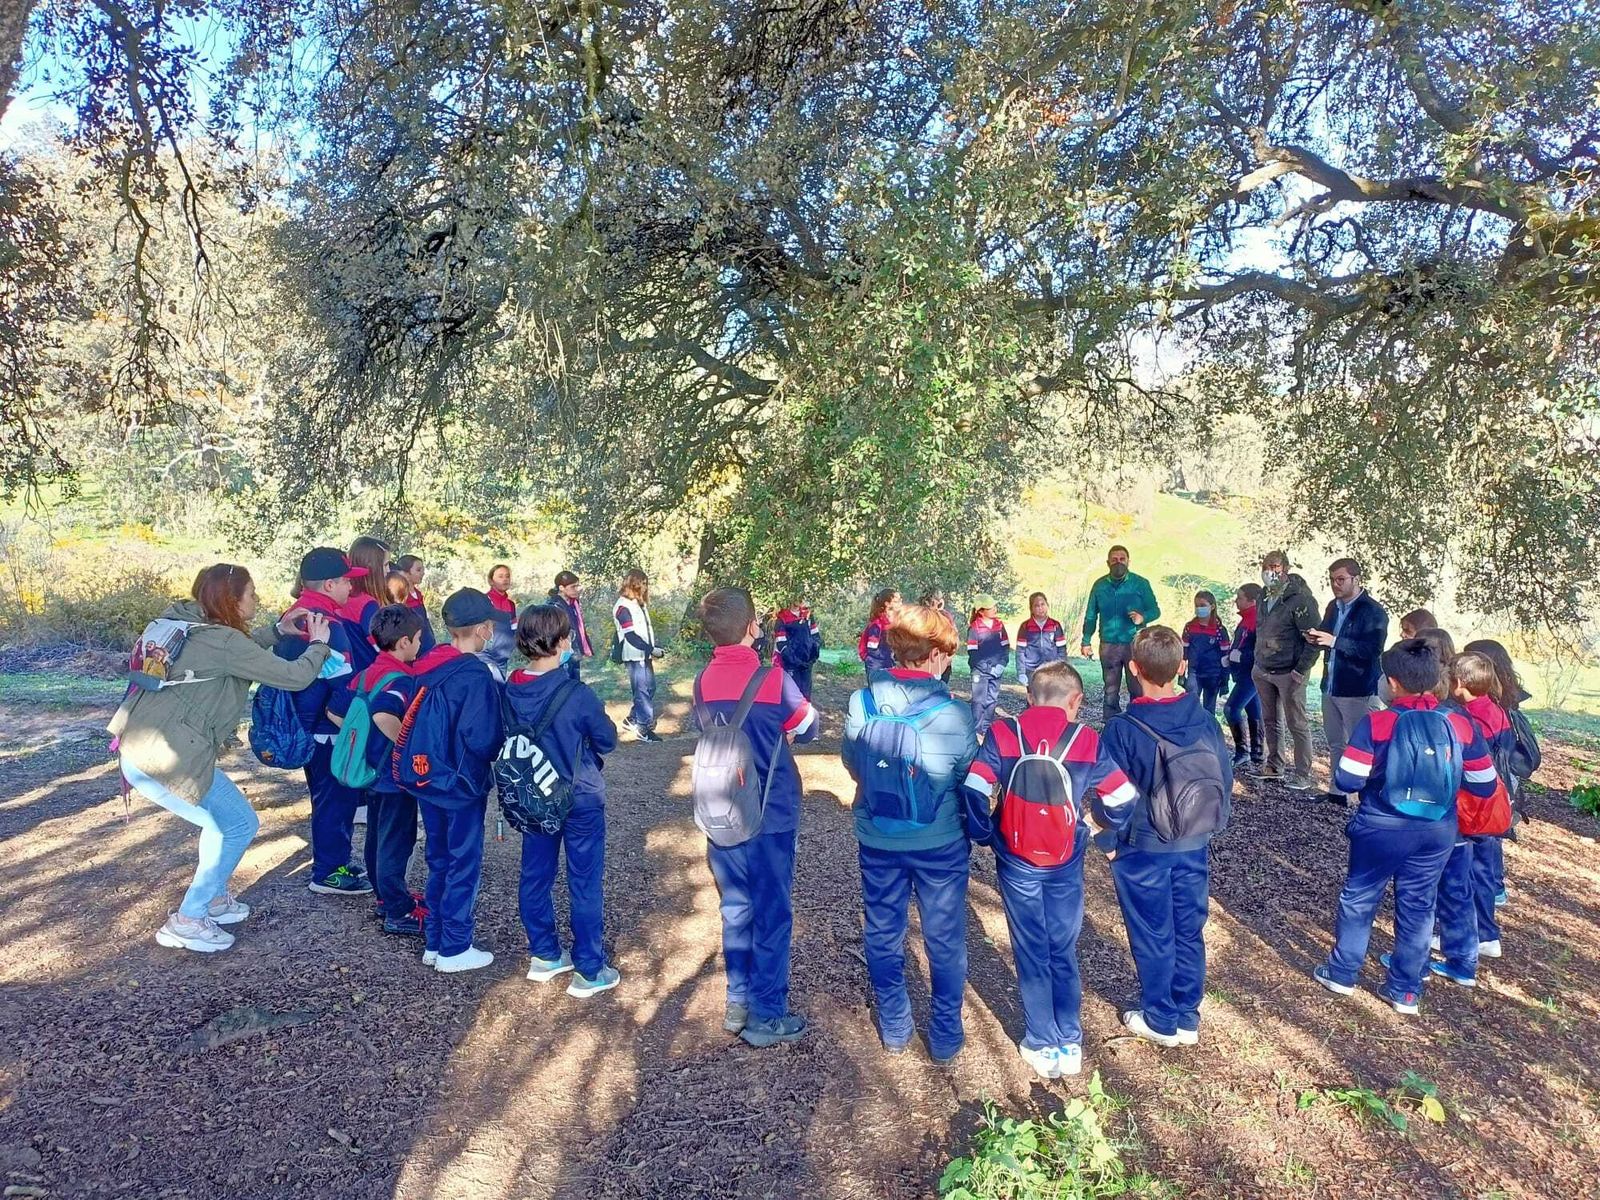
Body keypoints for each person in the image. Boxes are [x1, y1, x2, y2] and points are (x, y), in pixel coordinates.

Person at [111, 565, 336, 952]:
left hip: (140, 749)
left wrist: (279, 631)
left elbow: (232, 653)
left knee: (221, 824)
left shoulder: (185, 621)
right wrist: (319, 644)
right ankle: (188, 918)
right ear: (232, 600)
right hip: (167, 758)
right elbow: (294, 676)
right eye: (251, 593)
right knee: (238, 824)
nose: (257, 600)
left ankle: (211, 898)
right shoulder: (224, 642)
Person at [963, 661, 1137, 1079]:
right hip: (1064, 858)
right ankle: (1070, 1041)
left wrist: (986, 832)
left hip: (1016, 857)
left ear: (1029, 696)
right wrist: (1096, 826)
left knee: (1030, 947)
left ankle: (1040, 1041)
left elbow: (975, 786)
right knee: (1062, 946)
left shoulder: (1004, 733)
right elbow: (1124, 798)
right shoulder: (1086, 739)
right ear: (1076, 700)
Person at [1312, 639, 1498, 1015]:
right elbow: (1485, 784)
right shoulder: (1459, 723)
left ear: (1393, 683)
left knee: (1360, 898)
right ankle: (1406, 990)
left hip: (1381, 827)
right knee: (1419, 905)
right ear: (1435, 680)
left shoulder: (1378, 722)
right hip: (1437, 832)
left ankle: (1343, 972)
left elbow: (1346, 780)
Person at [842, 604, 977, 1063]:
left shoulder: (861, 703)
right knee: (944, 936)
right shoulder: (956, 714)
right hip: (939, 842)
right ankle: (944, 1032)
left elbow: (853, 762)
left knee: (883, 930)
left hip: (877, 835)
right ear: (936, 654)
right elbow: (965, 777)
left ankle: (896, 1025)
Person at [693, 587, 819, 1047]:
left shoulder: (701, 680)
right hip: (771, 811)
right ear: (752, 628)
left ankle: (737, 1001)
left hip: (722, 808)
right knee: (772, 911)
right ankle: (768, 1013)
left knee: (735, 907)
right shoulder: (772, 678)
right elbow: (808, 727)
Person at [1099, 626, 1232, 1048]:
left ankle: (1160, 1017)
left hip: (1144, 846)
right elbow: (1224, 779)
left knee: (1152, 932)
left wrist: (1108, 840)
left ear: (1134, 668)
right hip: (1194, 841)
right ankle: (1187, 1015)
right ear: (1181, 667)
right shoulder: (1205, 720)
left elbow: (1111, 798)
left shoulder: (1122, 728)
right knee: (1188, 929)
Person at [508, 604, 622, 997]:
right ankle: (589, 969)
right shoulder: (576, 693)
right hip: (579, 797)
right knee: (584, 881)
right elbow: (607, 738)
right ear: (561, 641)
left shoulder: (510, 687)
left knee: (535, 874)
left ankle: (545, 953)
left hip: (531, 794)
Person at [406, 589, 507, 973]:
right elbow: (482, 737)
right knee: (464, 860)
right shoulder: (475, 672)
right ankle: (455, 946)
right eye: (490, 626)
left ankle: (435, 939)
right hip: (463, 782)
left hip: (426, 776)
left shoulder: (426, 662)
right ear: (481, 629)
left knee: (438, 858)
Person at [274, 546, 371, 897]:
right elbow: (342, 681)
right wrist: (349, 718)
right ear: (329, 584)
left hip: (307, 724)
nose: (351, 588)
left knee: (329, 797)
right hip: (326, 730)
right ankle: (329, 871)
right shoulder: (324, 621)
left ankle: (336, 860)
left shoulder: (296, 615)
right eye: (347, 582)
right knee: (335, 798)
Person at [327, 604, 425, 935]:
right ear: (405, 642)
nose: (419, 645)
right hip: (393, 775)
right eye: (418, 639)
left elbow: (335, 711)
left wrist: (362, 738)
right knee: (397, 841)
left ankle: (385, 898)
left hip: (368, 769)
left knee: (375, 837)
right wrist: (406, 746)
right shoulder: (401, 678)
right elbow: (385, 714)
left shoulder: (368, 672)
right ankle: (399, 911)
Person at [1430, 651, 1515, 987]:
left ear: (1459, 683)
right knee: (1483, 871)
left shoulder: (1470, 718)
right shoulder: (1496, 710)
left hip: (1474, 806)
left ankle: (1474, 936)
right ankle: (1486, 934)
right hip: (1493, 804)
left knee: (1468, 874)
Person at [1306, 559, 1389, 807]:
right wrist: (1314, 638)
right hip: (1331, 684)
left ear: (1356, 579)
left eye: (1341, 579)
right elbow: (1326, 634)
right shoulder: (1333, 606)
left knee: (1362, 745)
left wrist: (1334, 642)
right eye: (1332, 579)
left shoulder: (1373, 611)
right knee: (1335, 742)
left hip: (1358, 689)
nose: (1335, 584)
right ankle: (1337, 792)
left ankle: (1369, 797)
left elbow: (1372, 650)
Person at [1463, 638, 1538, 909]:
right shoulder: (1507, 696)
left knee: (1486, 835)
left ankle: (1491, 888)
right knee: (1491, 834)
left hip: (1493, 776)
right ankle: (1495, 886)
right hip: (1505, 776)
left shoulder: (1488, 704)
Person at [1250, 550, 1320, 789]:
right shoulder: (1262, 596)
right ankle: (1274, 765)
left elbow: (1314, 639)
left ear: (1286, 569)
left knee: (1297, 723)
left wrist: (1301, 669)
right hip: (1263, 668)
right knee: (1270, 720)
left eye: (1275, 566)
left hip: (1290, 671)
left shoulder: (1300, 600)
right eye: (1266, 566)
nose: (1270, 571)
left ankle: (1302, 774)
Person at [1079, 545, 1160, 716]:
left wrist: (1142, 617)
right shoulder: (1099, 586)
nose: (1118, 562)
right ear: (1108, 562)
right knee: (1110, 689)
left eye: (1122, 559)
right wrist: (1086, 641)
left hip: (1135, 644)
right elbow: (1090, 616)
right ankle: (1110, 722)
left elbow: (1155, 610)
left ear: (1128, 561)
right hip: (1108, 645)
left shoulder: (1140, 584)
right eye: (1114, 559)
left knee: (1137, 687)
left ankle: (1137, 720)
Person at [613, 569, 665, 741]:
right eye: (643, 583)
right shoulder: (622, 606)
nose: (646, 587)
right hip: (635, 655)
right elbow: (631, 636)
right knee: (642, 691)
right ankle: (643, 728)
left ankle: (633, 719)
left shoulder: (638, 603)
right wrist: (651, 650)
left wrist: (651, 649)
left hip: (644, 654)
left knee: (650, 688)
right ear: (635, 584)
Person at [1223, 584, 1263, 768]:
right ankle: (1257, 752)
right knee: (1253, 711)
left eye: (1240, 598)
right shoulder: (1247, 618)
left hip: (1251, 674)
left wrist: (1239, 656)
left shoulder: (1257, 620)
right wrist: (1231, 656)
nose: (1236, 601)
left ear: (1252, 601)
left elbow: (1260, 650)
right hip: (1243, 672)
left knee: (1231, 709)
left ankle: (1243, 751)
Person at [341, 536, 392, 671]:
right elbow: (382, 649)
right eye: (386, 565)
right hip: (366, 678)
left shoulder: (340, 599)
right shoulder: (367, 605)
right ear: (371, 565)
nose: (388, 571)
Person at [965, 595, 1010, 738]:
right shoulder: (974, 628)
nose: (994, 609)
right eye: (990, 608)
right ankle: (976, 731)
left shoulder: (999, 625)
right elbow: (973, 653)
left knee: (992, 700)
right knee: (979, 701)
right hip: (980, 671)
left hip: (997, 670)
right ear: (981, 611)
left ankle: (987, 729)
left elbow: (1006, 647)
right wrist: (987, 668)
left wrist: (1002, 664)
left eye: (994, 606)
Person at [1180, 591, 1231, 716]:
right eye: (1196, 605)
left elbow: (1225, 657)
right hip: (1194, 672)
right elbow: (1183, 653)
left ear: (1212, 606)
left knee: (1209, 709)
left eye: (1202, 605)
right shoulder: (1189, 627)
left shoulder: (1219, 630)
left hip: (1213, 674)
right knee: (1190, 706)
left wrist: (1225, 679)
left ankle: (1209, 734)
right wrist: (1181, 675)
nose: (1199, 608)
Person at [1014, 592, 1067, 689]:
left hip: (1051, 669)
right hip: (1031, 670)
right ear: (1031, 609)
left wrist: (1061, 668)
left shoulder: (1055, 625)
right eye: (1036, 606)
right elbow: (1020, 651)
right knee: (1033, 699)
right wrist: (1021, 672)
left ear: (1047, 605)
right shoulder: (1025, 626)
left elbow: (1062, 650)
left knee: (1051, 698)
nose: (1040, 608)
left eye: (1043, 604)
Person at [772, 599, 823, 699]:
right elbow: (781, 643)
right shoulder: (782, 618)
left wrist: (814, 654)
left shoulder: (807, 615)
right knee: (792, 694)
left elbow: (815, 635)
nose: (800, 599)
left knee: (806, 693)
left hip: (807, 663)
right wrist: (794, 661)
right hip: (791, 665)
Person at [548, 570, 594, 681]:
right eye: (573, 587)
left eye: (577, 586)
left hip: (574, 650)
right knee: (564, 684)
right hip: (562, 653)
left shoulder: (573, 603)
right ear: (561, 588)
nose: (577, 589)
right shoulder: (554, 606)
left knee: (574, 683)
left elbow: (578, 626)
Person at [395, 554, 437, 653]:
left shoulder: (418, 594)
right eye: (418, 570)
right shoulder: (401, 599)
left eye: (423, 570)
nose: (423, 573)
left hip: (428, 644)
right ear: (405, 573)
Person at [481, 564, 517, 676]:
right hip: (486, 656)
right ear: (491, 581)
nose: (505, 579)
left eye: (507, 576)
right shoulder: (484, 601)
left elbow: (512, 627)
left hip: (503, 658)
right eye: (500, 576)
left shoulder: (511, 604)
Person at [858, 588, 901, 678]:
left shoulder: (891, 623)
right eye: (897, 601)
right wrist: (887, 657)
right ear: (887, 604)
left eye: (901, 600)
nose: (901, 603)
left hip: (886, 664)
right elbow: (872, 649)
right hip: (876, 666)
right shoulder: (877, 625)